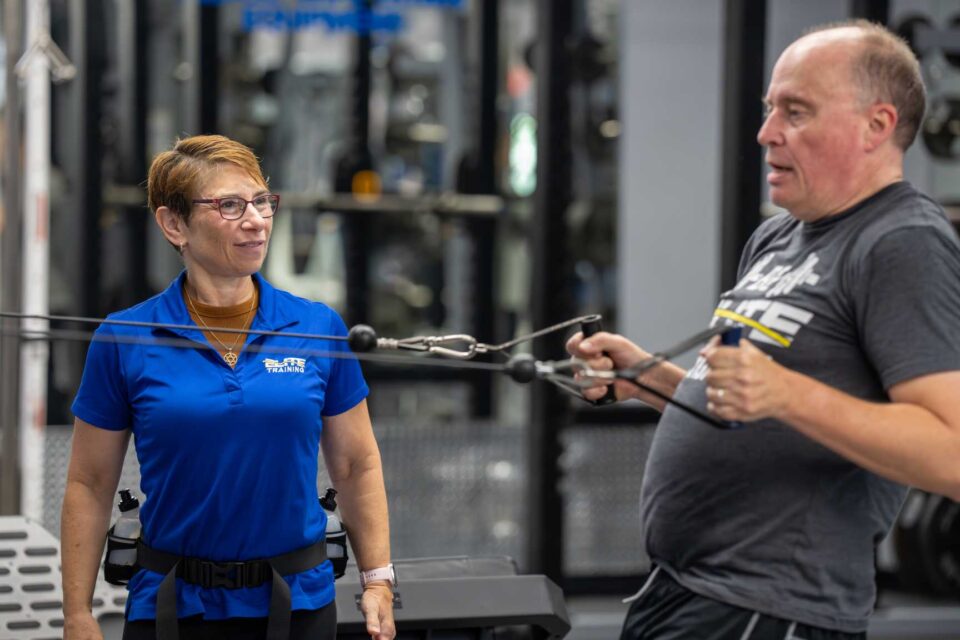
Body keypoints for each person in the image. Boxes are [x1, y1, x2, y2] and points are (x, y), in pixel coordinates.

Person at [568, 20, 960, 640]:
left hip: (772, 612)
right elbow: (755, 407)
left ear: (877, 126)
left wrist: (787, 393)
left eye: (795, 112)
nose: (766, 133)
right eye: (769, 108)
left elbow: (951, 451)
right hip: (682, 591)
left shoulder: (903, 243)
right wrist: (653, 381)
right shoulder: (779, 235)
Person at [60, 134, 396, 640]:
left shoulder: (316, 327)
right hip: (173, 608)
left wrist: (378, 580)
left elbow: (355, 465)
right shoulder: (124, 337)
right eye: (230, 205)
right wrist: (77, 613)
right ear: (175, 224)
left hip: (297, 606)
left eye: (262, 201)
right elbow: (89, 484)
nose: (257, 220)